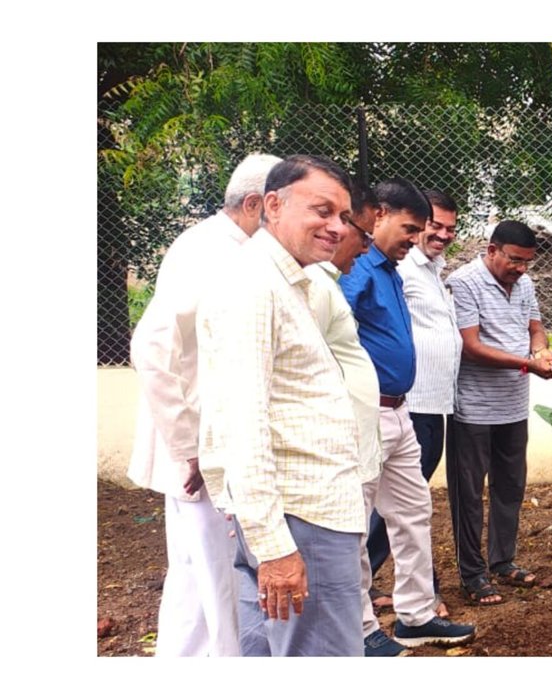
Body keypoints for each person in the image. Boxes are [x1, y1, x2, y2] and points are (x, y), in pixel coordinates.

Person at [196, 155, 366, 656]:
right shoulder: (254, 286)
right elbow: (243, 422)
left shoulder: (289, 281)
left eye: (343, 216)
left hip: (298, 515)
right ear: (273, 204)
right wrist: (275, 549)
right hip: (300, 519)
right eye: (322, 211)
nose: (337, 228)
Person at [127, 151, 278, 656]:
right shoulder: (208, 250)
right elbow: (152, 346)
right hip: (202, 449)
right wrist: (188, 447)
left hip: (210, 442)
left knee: (196, 575)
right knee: (219, 577)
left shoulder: (234, 248)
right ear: (257, 204)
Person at [341, 180, 473, 652]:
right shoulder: (356, 269)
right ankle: (359, 629)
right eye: (409, 228)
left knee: (414, 512)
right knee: (355, 522)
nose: (414, 239)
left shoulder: (392, 270)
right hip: (367, 415)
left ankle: (415, 616)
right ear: (379, 215)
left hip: (402, 410)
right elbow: (336, 331)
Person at [447, 220, 552, 606]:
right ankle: (473, 574)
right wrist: (527, 364)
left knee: (510, 486)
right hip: (475, 408)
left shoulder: (525, 283)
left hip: (514, 405)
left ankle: (502, 561)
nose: (521, 269)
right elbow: (470, 346)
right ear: (492, 249)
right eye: (514, 260)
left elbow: (536, 328)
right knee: (469, 493)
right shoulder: (464, 282)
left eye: (527, 262)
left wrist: (541, 350)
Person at [296, 194, 387, 656]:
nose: (365, 247)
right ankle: (357, 634)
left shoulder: (327, 283)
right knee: (341, 556)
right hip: (333, 453)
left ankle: (362, 629)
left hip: (358, 445)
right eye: (363, 234)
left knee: (355, 543)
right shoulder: (311, 287)